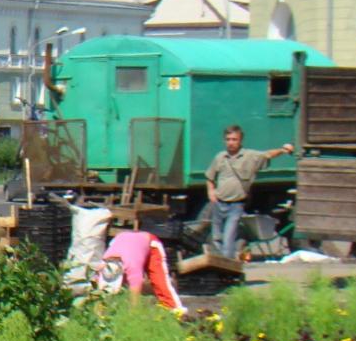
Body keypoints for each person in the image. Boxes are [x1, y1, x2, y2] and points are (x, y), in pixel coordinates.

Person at [205, 125, 295, 260]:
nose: (230, 142)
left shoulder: (249, 156)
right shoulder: (220, 157)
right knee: (217, 237)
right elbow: (210, 177)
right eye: (228, 139)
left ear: (240, 141)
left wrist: (283, 150)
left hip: (236, 205)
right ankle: (220, 266)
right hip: (219, 203)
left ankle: (227, 268)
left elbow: (267, 154)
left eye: (234, 139)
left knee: (229, 237)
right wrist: (210, 192)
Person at [95, 229, 185, 314]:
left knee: (160, 283)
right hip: (120, 240)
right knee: (112, 291)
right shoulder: (103, 266)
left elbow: (135, 291)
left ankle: (176, 312)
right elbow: (100, 292)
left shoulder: (131, 265)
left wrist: (133, 315)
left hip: (149, 244)